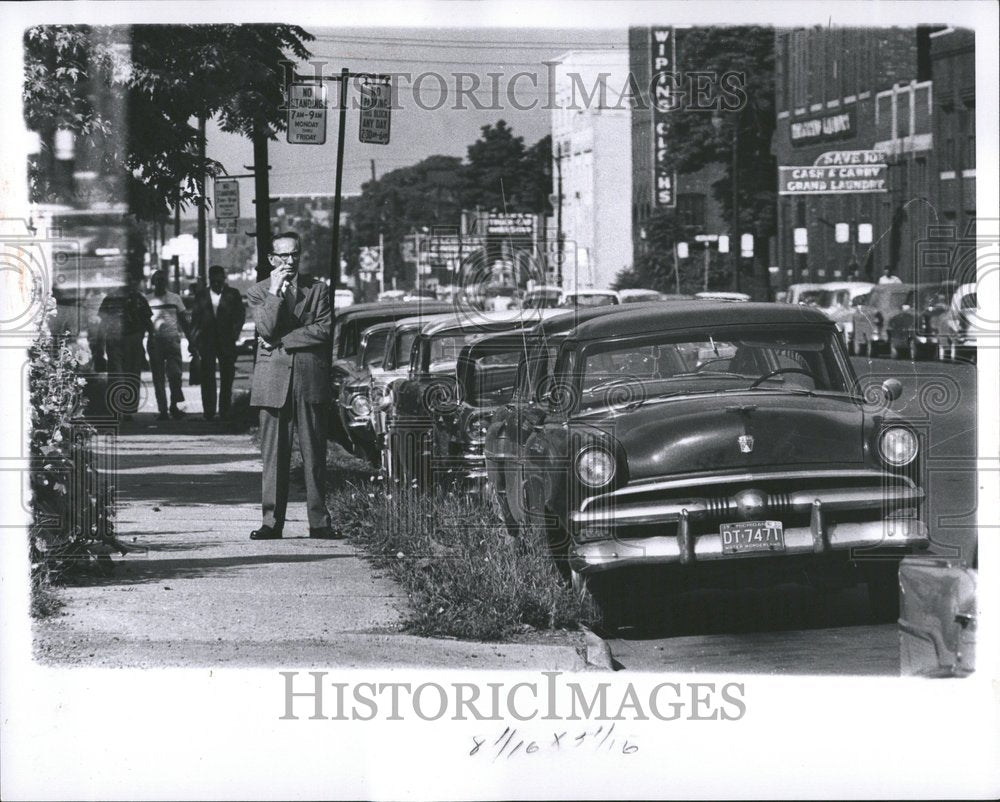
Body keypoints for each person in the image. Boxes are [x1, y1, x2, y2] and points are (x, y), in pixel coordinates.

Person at [246, 232, 336, 540]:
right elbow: (265, 326)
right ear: (271, 259)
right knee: (274, 455)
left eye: (295, 254)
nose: (290, 261)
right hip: (272, 381)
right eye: (283, 256)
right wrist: (274, 292)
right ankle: (272, 522)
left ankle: (319, 521)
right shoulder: (258, 292)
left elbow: (324, 330)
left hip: (310, 379)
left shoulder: (318, 289)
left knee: (314, 453)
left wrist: (280, 341)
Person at [189, 265, 245, 420]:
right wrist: (193, 341)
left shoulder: (233, 294)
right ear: (210, 280)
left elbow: (240, 315)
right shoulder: (201, 295)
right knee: (207, 377)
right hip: (207, 342)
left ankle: (225, 410)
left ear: (224, 279)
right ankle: (209, 411)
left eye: (220, 281)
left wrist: (235, 333)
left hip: (227, 341)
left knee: (227, 377)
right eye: (214, 281)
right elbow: (195, 319)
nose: (217, 285)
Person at [98, 272, 154, 420]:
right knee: (126, 374)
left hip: (129, 339)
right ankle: (123, 409)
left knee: (124, 374)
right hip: (122, 339)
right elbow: (103, 322)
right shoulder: (131, 298)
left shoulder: (134, 298)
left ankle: (124, 409)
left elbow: (147, 321)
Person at [145, 269, 192, 421]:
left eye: (162, 280)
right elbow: (143, 321)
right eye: (157, 280)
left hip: (172, 340)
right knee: (158, 377)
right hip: (155, 341)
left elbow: (184, 320)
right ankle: (163, 410)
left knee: (175, 374)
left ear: (166, 283)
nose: (160, 283)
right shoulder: (147, 300)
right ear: (153, 283)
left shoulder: (175, 298)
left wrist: (191, 340)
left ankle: (173, 405)